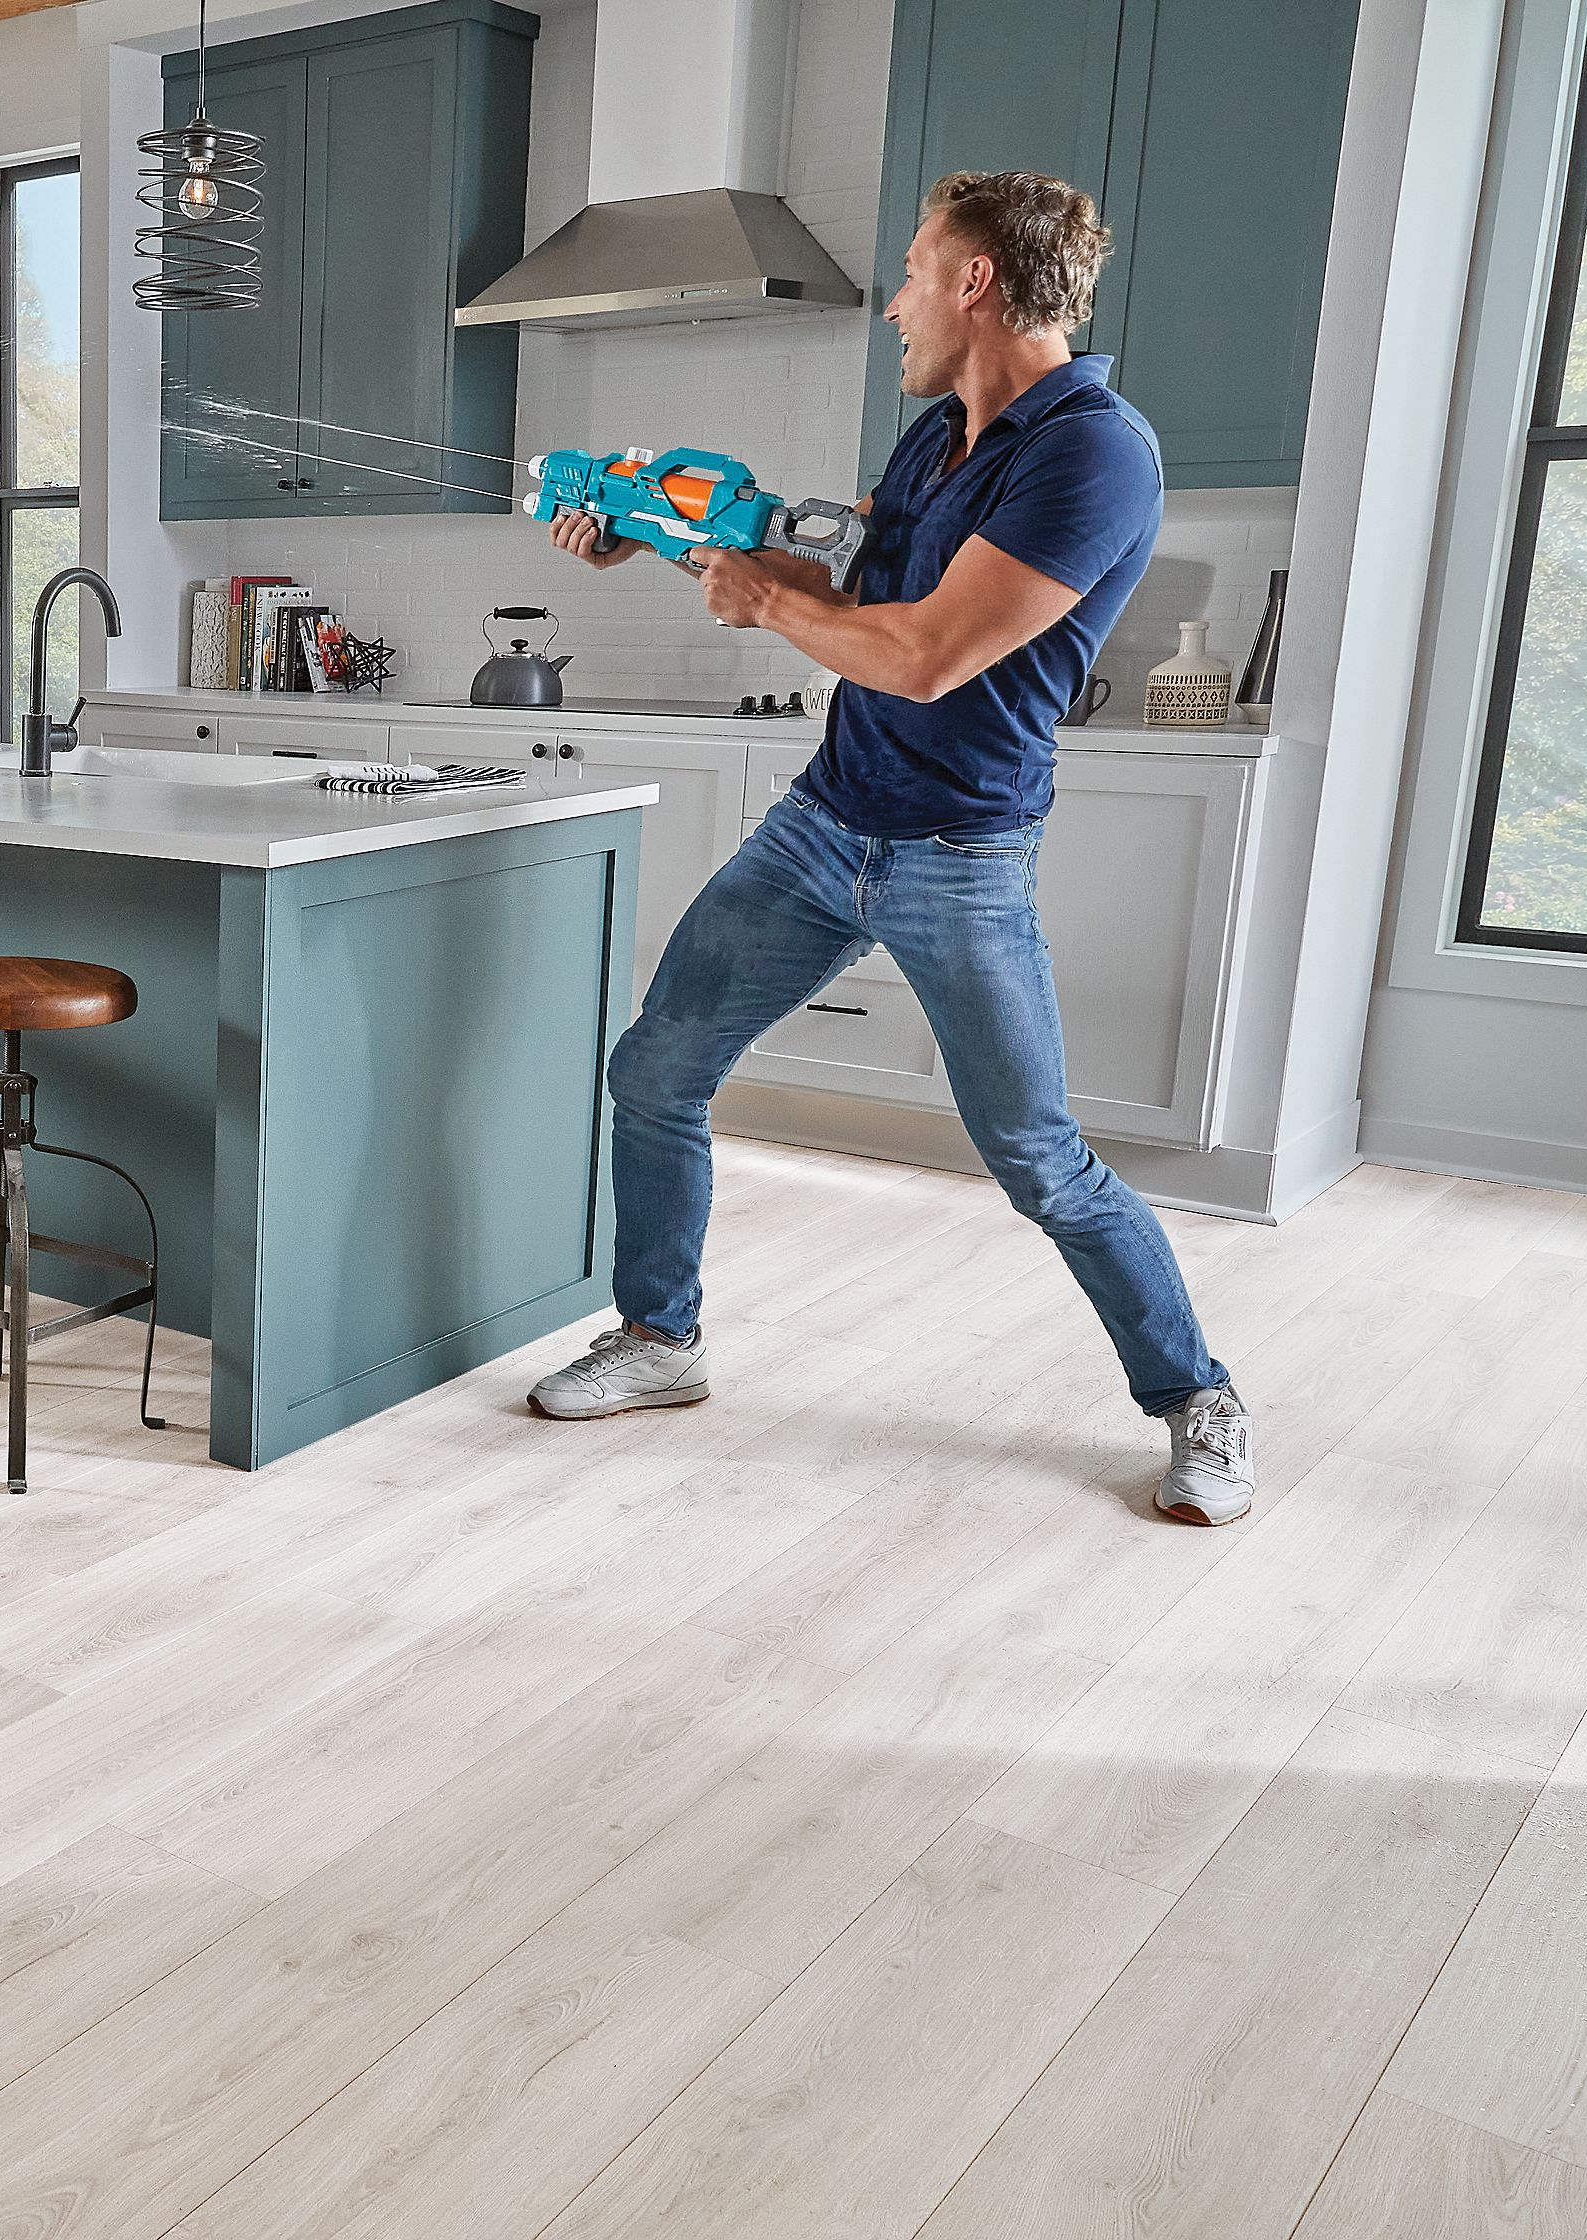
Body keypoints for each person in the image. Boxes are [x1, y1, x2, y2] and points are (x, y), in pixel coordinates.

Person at [525, 168, 1252, 1527]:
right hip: (826, 824)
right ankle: (661, 1339)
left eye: (915, 274)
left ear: (978, 281)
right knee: (658, 1070)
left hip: (959, 854)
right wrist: (670, 537)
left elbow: (923, 657)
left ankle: (1196, 1396)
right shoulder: (933, 442)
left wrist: (757, 602)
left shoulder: (1094, 451)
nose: (894, 307)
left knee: (1038, 1157)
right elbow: (849, 595)